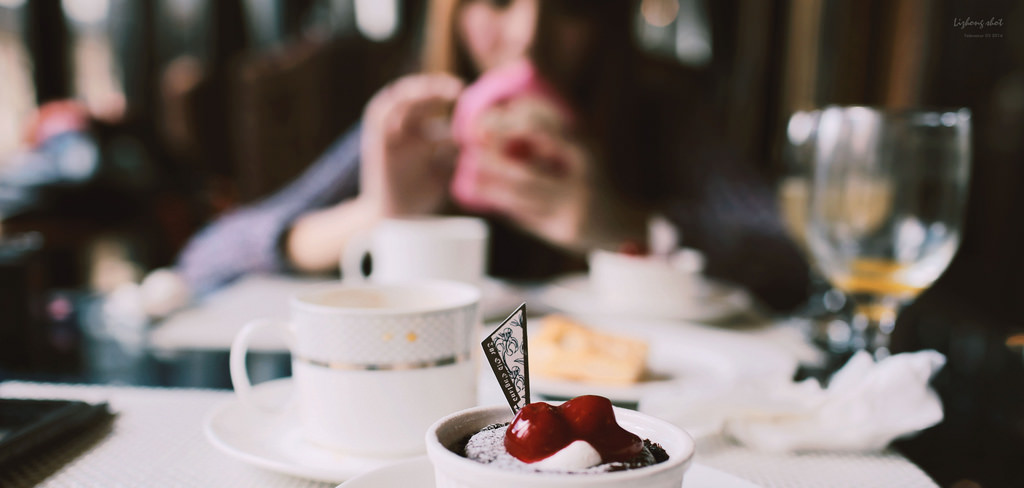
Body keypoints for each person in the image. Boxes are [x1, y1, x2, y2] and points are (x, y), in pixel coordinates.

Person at [170, 0, 809, 312]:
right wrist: (375, 214)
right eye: (499, 1)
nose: (529, 37)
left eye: (570, 7)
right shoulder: (425, 123)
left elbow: (794, 259)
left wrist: (625, 224)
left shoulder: (663, 110)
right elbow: (206, 258)